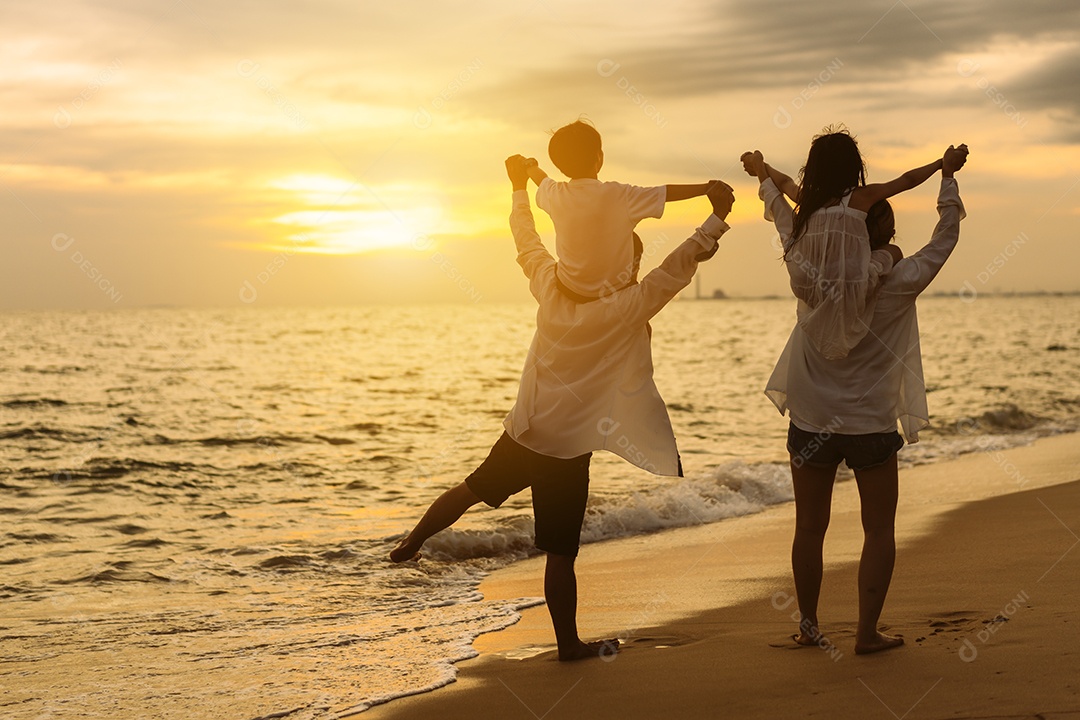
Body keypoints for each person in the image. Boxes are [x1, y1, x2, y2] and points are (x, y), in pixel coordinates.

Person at [390, 155, 735, 662]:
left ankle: (409, 545)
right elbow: (678, 267)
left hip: (525, 429)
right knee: (560, 552)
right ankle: (569, 645)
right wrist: (714, 219)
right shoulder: (629, 305)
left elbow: (525, 239)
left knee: (470, 489)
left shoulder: (548, 284)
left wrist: (517, 187)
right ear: (623, 261)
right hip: (566, 448)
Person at [748, 143, 969, 654]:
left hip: (810, 416)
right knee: (878, 529)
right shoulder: (901, 279)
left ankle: (808, 626)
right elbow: (946, 237)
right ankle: (866, 634)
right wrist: (947, 178)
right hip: (870, 424)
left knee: (809, 527)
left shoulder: (806, 267)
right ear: (881, 231)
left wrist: (762, 171)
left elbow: (786, 212)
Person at [742, 128, 952, 360]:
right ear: (854, 167)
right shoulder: (861, 197)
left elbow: (783, 183)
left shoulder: (808, 198)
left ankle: (759, 169)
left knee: (777, 204)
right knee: (893, 251)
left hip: (806, 282)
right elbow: (907, 180)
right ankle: (760, 167)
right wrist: (940, 164)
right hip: (849, 283)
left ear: (813, 169)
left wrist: (762, 167)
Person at [524, 119, 715, 300]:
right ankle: (630, 282)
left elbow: (541, 180)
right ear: (599, 157)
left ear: (560, 167)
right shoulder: (621, 195)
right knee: (634, 240)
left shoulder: (556, 194)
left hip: (570, 289)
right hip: (613, 290)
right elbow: (665, 193)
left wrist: (530, 166)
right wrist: (706, 188)